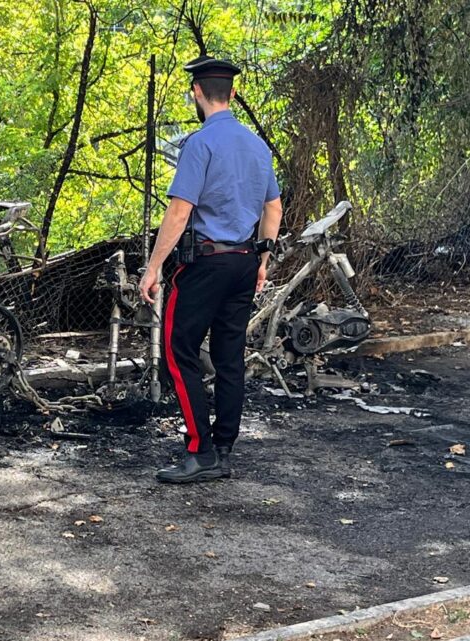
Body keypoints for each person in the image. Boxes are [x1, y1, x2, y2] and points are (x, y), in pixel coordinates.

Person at [139, 55, 283, 484]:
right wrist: (262, 260)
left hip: (205, 263)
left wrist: (152, 268)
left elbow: (180, 211)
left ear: (196, 93)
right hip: (242, 262)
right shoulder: (258, 146)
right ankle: (222, 448)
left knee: (176, 350)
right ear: (233, 94)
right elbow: (272, 207)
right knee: (228, 359)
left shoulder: (200, 143)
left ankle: (200, 450)